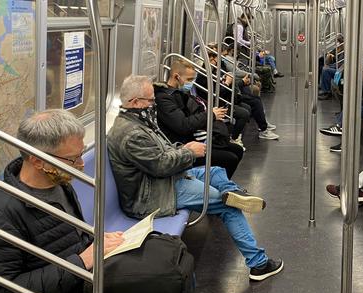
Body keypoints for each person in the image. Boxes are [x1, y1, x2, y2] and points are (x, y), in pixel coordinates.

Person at [0, 109, 193, 293]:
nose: (81, 166)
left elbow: (70, 238)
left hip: (82, 288)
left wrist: (98, 240)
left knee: (174, 267)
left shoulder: (59, 185)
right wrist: (81, 261)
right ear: (38, 160)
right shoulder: (0, 214)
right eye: (73, 160)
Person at [108, 75, 284, 281]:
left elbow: (160, 154)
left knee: (215, 170)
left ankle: (232, 192)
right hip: (152, 195)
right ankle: (259, 264)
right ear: (135, 102)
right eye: (150, 101)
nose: (154, 104)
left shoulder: (137, 122)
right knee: (228, 207)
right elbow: (161, 165)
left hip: (160, 182)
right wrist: (189, 152)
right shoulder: (131, 134)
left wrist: (182, 149)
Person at [154, 59, 245, 178]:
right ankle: (219, 188)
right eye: (189, 80)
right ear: (177, 76)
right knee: (230, 159)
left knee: (237, 150)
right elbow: (183, 126)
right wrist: (210, 115)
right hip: (181, 144)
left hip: (192, 136)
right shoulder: (164, 99)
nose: (191, 83)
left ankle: (221, 184)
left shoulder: (180, 93)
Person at [197, 48, 279, 141]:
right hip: (221, 100)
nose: (217, 61)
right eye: (214, 59)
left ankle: (262, 125)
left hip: (228, 95)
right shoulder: (205, 74)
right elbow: (218, 91)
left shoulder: (216, 68)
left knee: (253, 100)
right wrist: (229, 83)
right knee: (250, 105)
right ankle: (238, 136)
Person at [318, 35, 345, 100]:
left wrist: (330, 66)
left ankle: (327, 92)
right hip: (338, 67)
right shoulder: (337, 49)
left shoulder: (344, 51)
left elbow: (340, 64)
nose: (337, 43)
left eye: (338, 42)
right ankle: (323, 87)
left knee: (326, 70)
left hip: (341, 71)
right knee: (323, 65)